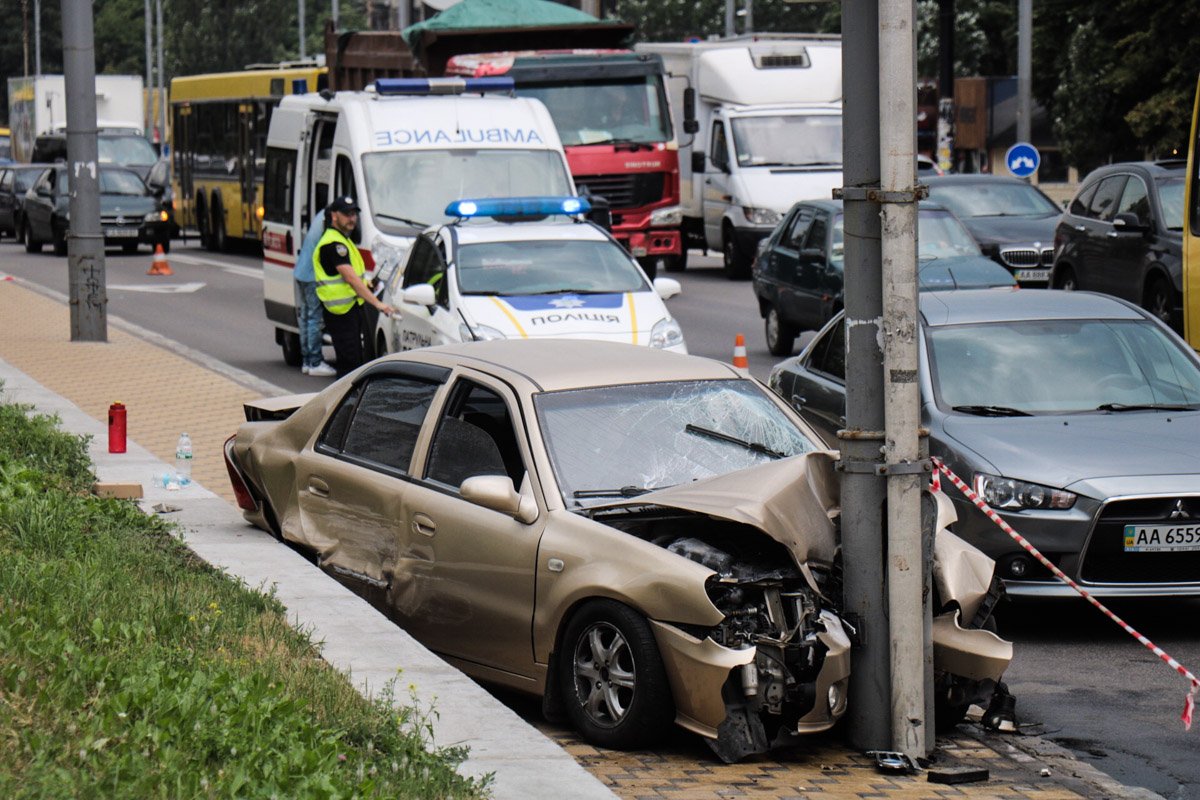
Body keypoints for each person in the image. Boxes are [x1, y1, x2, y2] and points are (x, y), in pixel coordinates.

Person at [313, 195, 395, 377]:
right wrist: (377, 303)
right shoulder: (333, 244)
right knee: (349, 365)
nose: (352, 218)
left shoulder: (343, 240)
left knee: (354, 361)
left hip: (350, 309)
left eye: (354, 214)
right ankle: (345, 396)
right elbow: (350, 278)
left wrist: (368, 284)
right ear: (334, 215)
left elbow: (353, 277)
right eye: (346, 214)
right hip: (340, 312)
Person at [294, 207, 335, 376]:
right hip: (312, 274)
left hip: (302, 271)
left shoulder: (320, 215)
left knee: (305, 317)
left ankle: (306, 361)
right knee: (314, 319)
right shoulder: (329, 219)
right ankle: (315, 362)